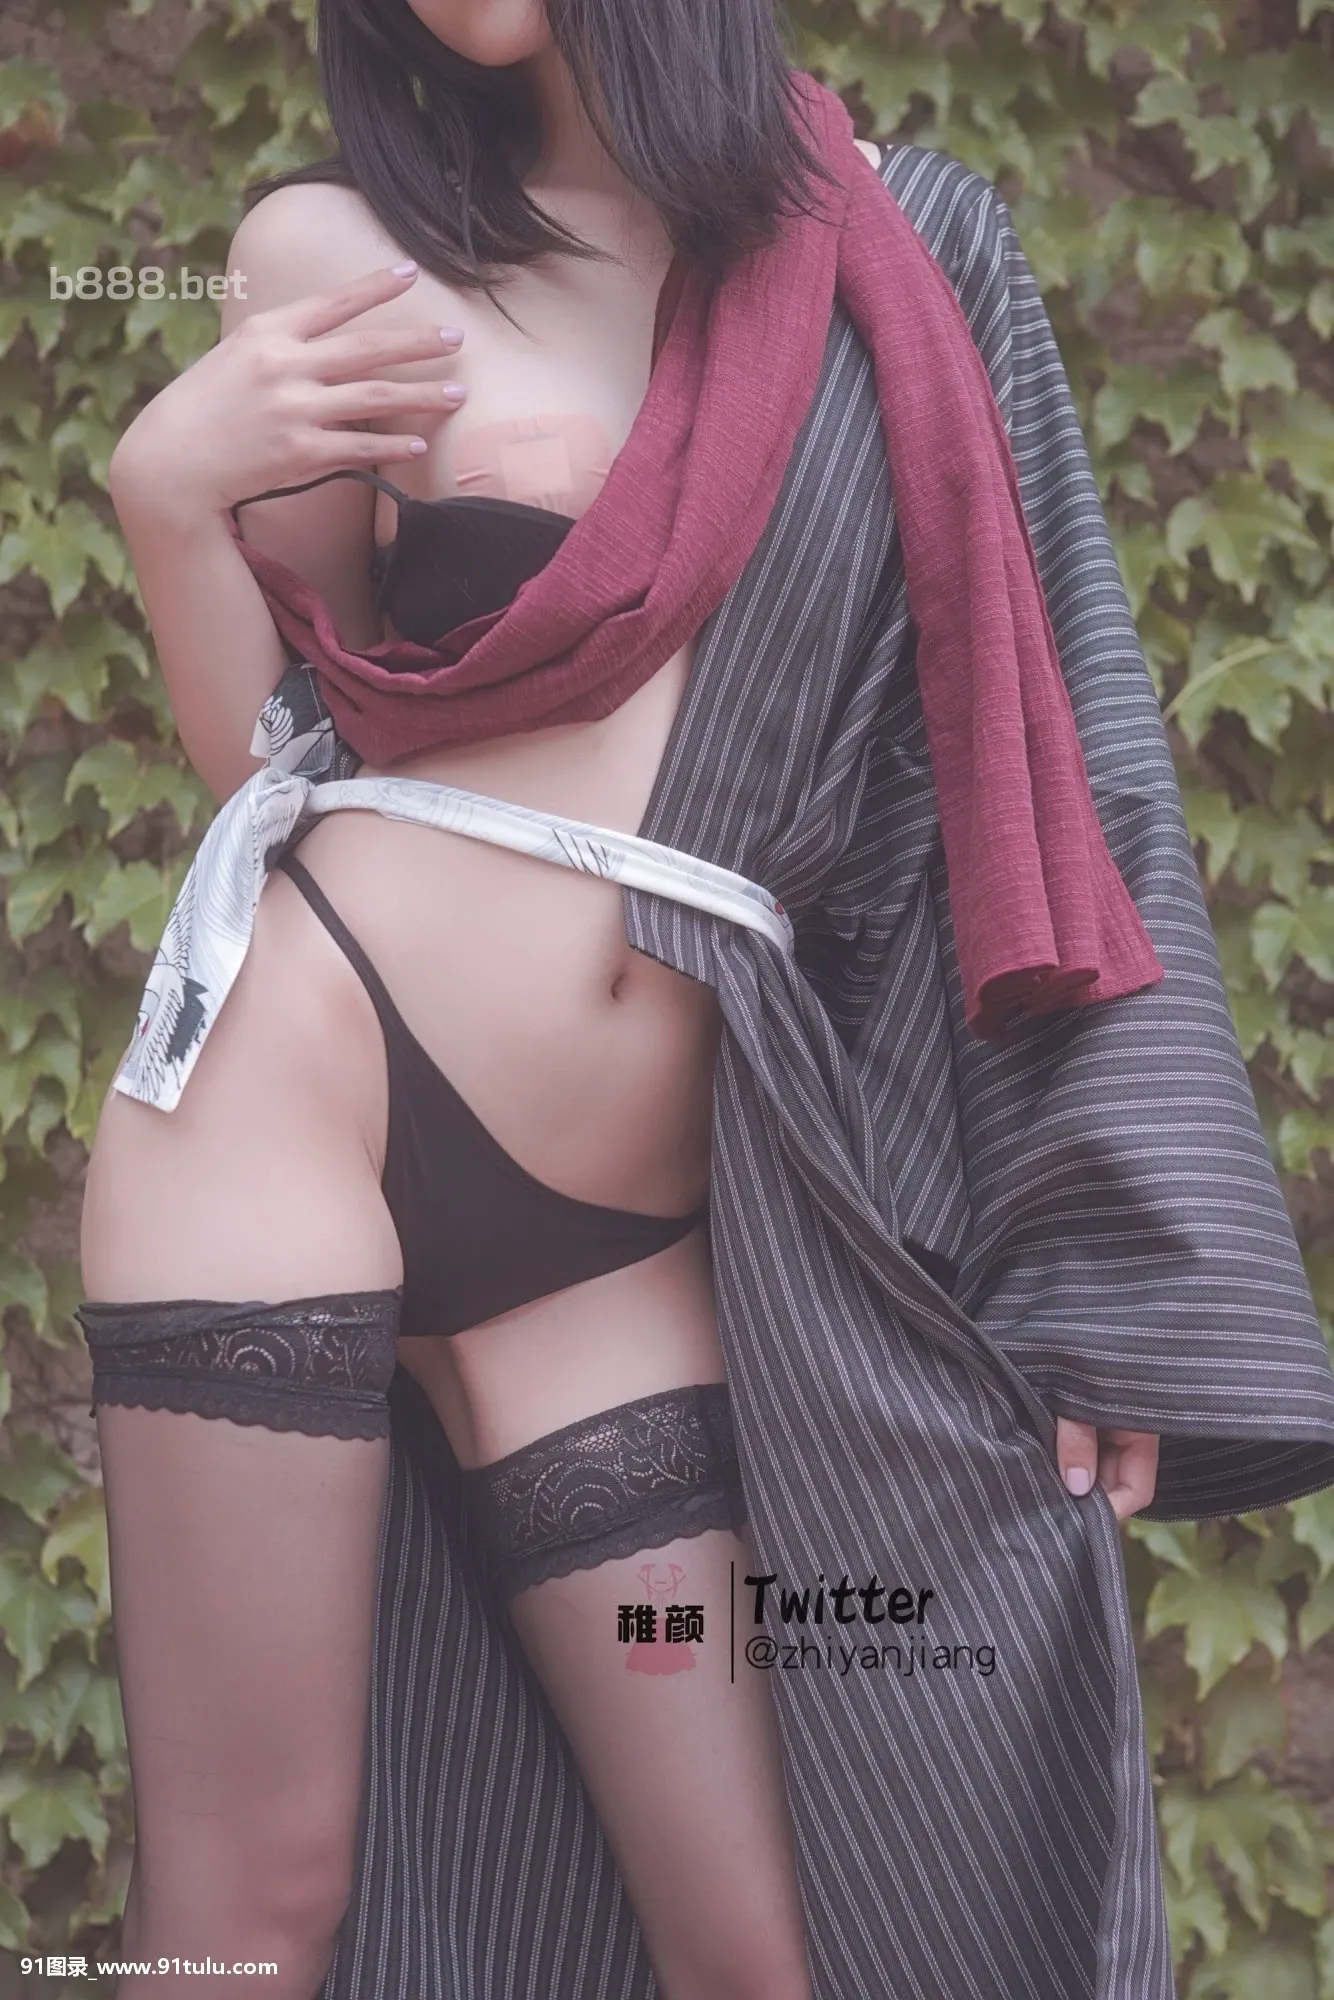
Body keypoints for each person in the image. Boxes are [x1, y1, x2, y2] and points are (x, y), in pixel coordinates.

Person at [77, 4, 1334, 1999]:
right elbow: (273, 760)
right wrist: (166, 498)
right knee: (250, 1911)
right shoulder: (339, 250)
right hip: (294, 1093)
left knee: (766, 1952)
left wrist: (1104, 1258)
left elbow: (1042, 756)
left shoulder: (904, 247)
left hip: (622, 1241)